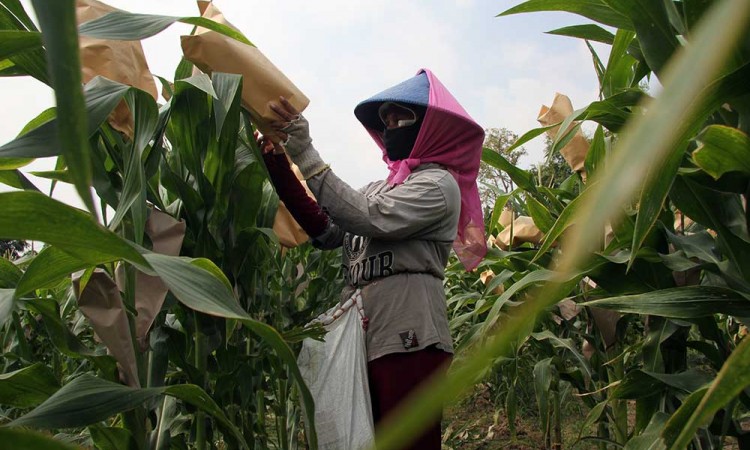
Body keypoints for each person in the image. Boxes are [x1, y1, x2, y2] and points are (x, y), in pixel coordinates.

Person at [261, 69, 486, 449]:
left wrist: (305, 150)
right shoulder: (381, 186)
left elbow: (366, 216)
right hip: (367, 338)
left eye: (401, 117)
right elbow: (329, 229)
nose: (390, 126)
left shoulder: (438, 184)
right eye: (385, 121)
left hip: (410, 339)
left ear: (429, 127)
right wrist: (278, 162)